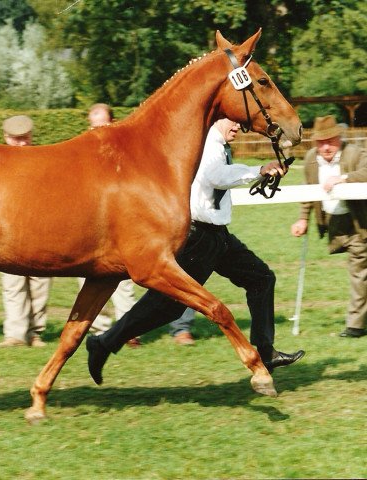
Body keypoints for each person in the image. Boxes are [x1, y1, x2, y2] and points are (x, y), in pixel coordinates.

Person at [86, 117, 305, 384]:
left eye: (241, 124)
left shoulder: (220, 143)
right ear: (219, 118)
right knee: (166, 306)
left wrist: (262, 172)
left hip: (219, 237)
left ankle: (266, 351)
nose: (239, 128)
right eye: (234, 122)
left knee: (261, 278)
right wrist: (259, 169)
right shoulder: (207, 142)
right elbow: (216, 176)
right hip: (199, 238)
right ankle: (104, 343)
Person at [291, 115, 367, 338]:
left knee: (359, 272)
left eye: (330, 141)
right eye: (320, 142)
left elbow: (365, 173)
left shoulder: (355, 153)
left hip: (359, 223)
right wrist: (303, 218)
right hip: (333, 223)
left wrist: (342, 178)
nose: (325, 147)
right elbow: (308, 190)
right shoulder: (311, 159)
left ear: (339, 137)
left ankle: (355, 325)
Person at [83, 103, 141, 347]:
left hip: (121, 224)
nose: (100, 130)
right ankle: (100, 329)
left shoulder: (125, 150)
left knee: (123, 277)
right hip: (90, 224)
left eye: (104, 124)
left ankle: (127, 330)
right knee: (86, 277)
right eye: (95, 126)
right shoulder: (82, 151)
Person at [0, 115, 52, 348]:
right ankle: (15, 334)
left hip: (41, 230)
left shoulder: (44, 160)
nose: (20, 144)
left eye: (25, 139)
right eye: (15, 139)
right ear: (6, 138)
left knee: (40, 283)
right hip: (8, 232)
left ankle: (36, 332)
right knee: (13, 283)